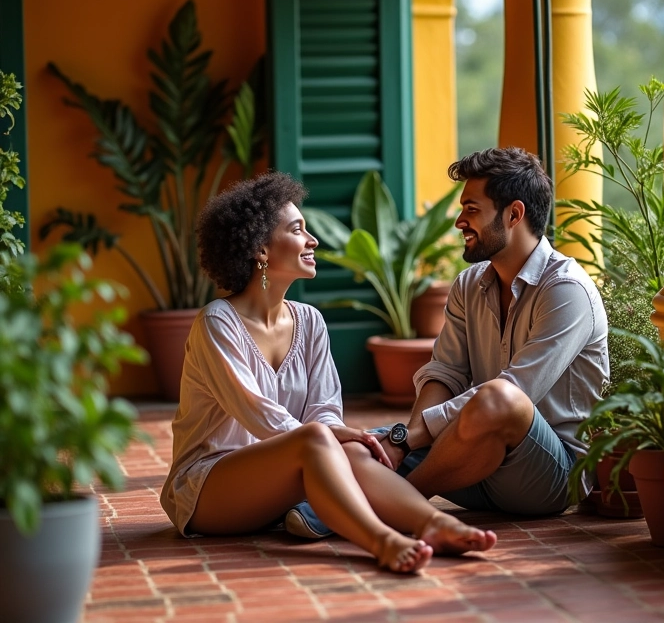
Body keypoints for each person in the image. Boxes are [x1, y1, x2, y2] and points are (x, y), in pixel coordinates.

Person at [159, 172, 497, 574]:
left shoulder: (310, 321)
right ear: (261, 249)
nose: (313, 240)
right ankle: (382, 540)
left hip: (277, 478)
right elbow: (259, 415)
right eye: (298, 229)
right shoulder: (217, 323)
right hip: (206, 490)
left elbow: (324, 411)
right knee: (323, 439)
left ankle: (434, 523)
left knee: (351, 446)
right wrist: (330, 435)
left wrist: (342, 437)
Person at [292, 147, 609, 536]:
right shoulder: (468, 285)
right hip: (472, 461)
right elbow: (445, 373)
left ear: (514, 214)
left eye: (472, 209)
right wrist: (401, 443)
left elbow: (516, 393)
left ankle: (396, 504)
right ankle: (361, 500)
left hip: (548, 476)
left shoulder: (566, 290)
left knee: (501, 400)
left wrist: (410, 441)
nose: (460, 221)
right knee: (363, 446)